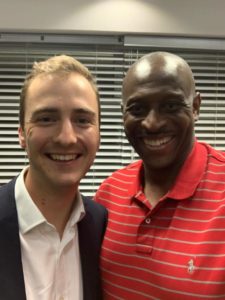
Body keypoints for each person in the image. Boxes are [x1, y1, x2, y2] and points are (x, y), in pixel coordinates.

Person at [94, 51, 225, 299]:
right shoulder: (108, 194)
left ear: (196, 107)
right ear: (123, 113)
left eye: (171, 105)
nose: (152, 123)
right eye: (138, 108)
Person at [0, 55, 107, 300]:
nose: (67, 138)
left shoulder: (101, 225)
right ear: (21, 134)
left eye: (82, 120)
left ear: (99, 134)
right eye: (46, 119)